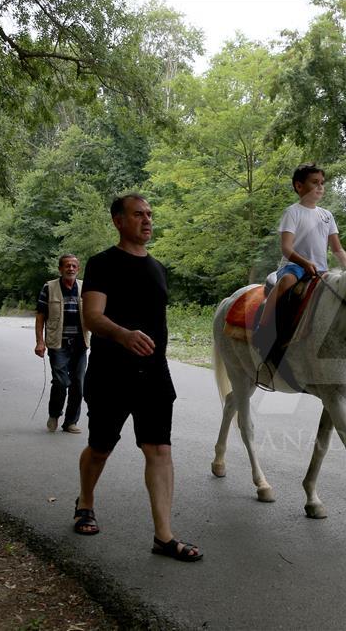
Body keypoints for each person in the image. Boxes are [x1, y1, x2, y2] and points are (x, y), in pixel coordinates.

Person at [73, 193, 202, 562]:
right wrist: (123, 335)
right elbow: (92, 317)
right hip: (111, 372)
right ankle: (85, 502)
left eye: (149, 214)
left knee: (159, 449)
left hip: (155, 374)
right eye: (137, 214)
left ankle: (164, 536)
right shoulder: (102, 264)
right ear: (118, 221)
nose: (147, 220)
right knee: (100, 447)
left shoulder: (159, 268)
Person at [254, 163, 346, 357]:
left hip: (321, 270)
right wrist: (305, 264)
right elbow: (286, 248)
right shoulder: (292, 212)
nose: (320, 187)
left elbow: (337, 249)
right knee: (286, 283)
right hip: (294, 266)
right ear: (299, 186)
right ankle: (263, 329)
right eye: (314, 182)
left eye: (322, 183)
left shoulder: (327, 215)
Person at [35, 254, 90, 434]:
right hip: (58, 343)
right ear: (60, 269)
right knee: (60, 382)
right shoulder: (49, 287)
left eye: (74, 266)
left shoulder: (85, 287)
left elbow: (95, 313)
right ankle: (54, 414)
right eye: (67, 266)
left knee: (78, 383)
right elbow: (40, 316)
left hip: (80, 344)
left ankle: (70, 422)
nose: (71, 269)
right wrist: (40, 342)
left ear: (78, 269)